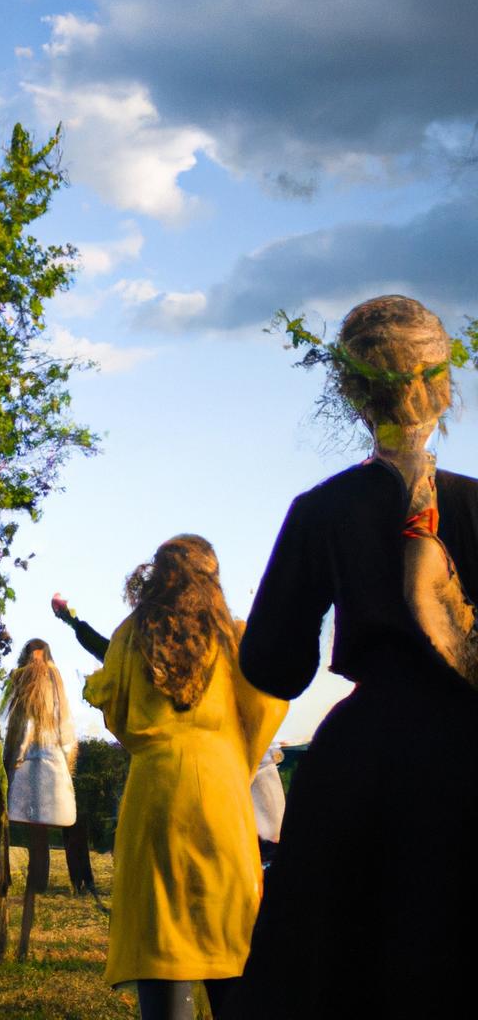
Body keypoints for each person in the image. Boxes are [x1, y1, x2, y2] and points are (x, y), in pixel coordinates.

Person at [231, 296, 478, 1020]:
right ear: (444, 386)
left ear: (348, 392)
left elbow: (275, 668)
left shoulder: (322, 510)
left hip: (363, 767)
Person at [83, 536, 286, 1020]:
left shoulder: (130, 634)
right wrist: (231, 758)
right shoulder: (235, 637)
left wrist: (157, 745)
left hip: (154, 793)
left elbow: (117, 714)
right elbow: (268, 706)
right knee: (229, 938)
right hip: (221, 794)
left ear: (156, 577)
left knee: (162, 944)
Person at [52, 593, 287, 866]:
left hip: (238, 785)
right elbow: (111, 652)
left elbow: (112, 653)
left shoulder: (225, 647)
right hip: (216, 791)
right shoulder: (183, 653)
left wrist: (73, 622)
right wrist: (74, 623)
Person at [2, 638, 77, 959]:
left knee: (35, 836)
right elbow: (65, 730)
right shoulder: (53, 681)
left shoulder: (26, 681)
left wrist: (13, 761)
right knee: (40, 836)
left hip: (35, 764)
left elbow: (21, 726)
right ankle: (36, 891)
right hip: (50, 763)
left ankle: (32, 891)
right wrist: (66, 761)